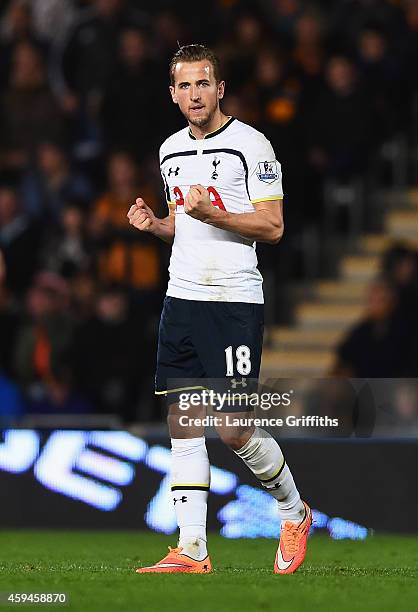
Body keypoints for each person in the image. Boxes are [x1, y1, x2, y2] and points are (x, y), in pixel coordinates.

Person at [127, 44, 311, 575]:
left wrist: (216, 213)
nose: (194, 95)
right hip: (181, 297)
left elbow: (273, 227)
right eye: (184, 86)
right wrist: (156, 226)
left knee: (232, 428)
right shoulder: (168, 151)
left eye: (202, 84)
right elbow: (182, 225)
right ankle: (192, 549)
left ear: (220, 88)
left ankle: (293, 512)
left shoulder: (251, 145)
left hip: (232, 299)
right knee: (182, 420)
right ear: (172, 94)